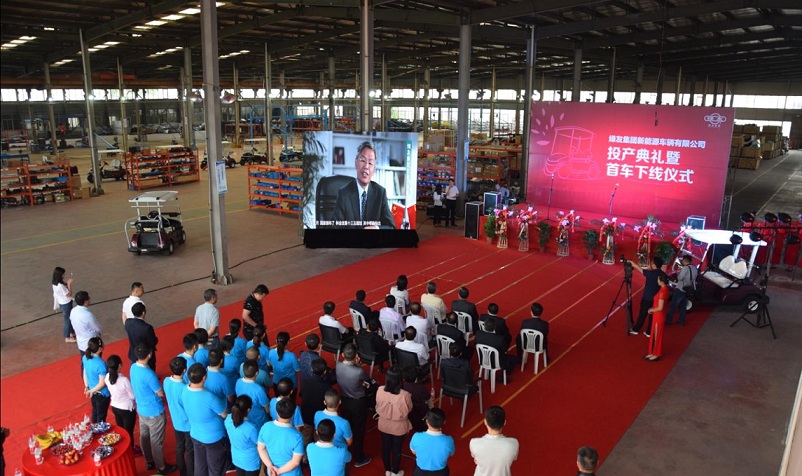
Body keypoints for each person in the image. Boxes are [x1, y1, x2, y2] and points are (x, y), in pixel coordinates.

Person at [130, 343, 177, 475]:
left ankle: (149, 460)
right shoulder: (149, 374)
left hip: (141, 409)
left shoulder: (133, 367)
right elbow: (160, 392)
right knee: (156, 441)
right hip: (154, 411)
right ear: (149, 355)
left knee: (144, 436)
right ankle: (161, 467)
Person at [333, 141, 395, 229]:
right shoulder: (344, 193)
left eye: (370, 163)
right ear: (356, 163)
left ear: (374, 170)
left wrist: (376, 228)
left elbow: (390, 226)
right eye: (363, 160)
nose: (366, 166)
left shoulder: (380, 193)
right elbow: (334, 226)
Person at [182, 363, 229, 476]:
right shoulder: (210, 397)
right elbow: (224, 414)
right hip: (214, 438)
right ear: (204, 377)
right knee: (215, 469)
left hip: (196, 435)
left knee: (200, 466)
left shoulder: (184, 390)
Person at [336, 343, 373, 468]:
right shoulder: (359, 371)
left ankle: (346, 451)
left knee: (347, 427)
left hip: (344, 400)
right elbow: (368, 382)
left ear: (343, 355)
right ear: (356, 356)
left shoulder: (338, 365)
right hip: (358, 403)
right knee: (358, 430)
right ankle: (359, 457)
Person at [376, 366, 413, 476]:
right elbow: (409, 409)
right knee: (397, 449)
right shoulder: (405, 395)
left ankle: (387, 470)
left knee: (385, 447)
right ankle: (395, 472)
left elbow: (377, 404)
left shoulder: (380, 390)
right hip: (399, 427)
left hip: (384, 424)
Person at [105, 354, 142, 456]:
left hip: (115, 406)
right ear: (120, 365)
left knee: (121, 430)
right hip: (126, 409)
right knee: (128, 432)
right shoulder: (124, 380)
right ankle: (130, 450)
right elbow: (132, 396)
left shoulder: (107, 377)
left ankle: (123, 449)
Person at [257, 398, 305, 476]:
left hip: (271, 471)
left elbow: (261, 448)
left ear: (277, 412)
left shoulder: (266, 427)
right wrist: (278, 472)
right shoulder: (297, 436)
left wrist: (270, 466)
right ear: (293, 414)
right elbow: (295, 462)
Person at [163, 357, 193, 476]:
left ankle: (182, 471)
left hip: (176, 421)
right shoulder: (184, 388)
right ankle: (190, 472)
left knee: (179, 447)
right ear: (184, 370)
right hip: (187, 424)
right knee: (189, 451)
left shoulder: (166, 381)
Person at [469, 406, 519, 476]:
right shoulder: (513, 444)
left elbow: (476, 458)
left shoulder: (474, 443)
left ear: (485, 422)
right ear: (504, 422)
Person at [301, 358, 336, 451]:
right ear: (325, 371)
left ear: (311, 369)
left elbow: (301, 395)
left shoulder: (305, 382)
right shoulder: (327, 387)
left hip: (306, 415)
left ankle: (304, 456)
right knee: (319, 439)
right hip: (320, 418)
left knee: (305, 438)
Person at [410, 408, 455, 476]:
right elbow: (451, 454)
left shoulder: (416, 436)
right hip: (441, 473)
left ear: (427, 421)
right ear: (444, 422)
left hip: (420, 472)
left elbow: (413, 452)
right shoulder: (449, 440)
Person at [629, 256, 665, 337]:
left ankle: (636, 329)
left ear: (654, 264)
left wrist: (632, 263)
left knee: (642, 314)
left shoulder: (651, 274)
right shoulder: (663, 274)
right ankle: (649, 331)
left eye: (652, 263)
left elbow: (640, 269)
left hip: (647, 298)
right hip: (656, 299)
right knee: (652, 316)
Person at [225, 395, 261, 476]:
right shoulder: (251, 428)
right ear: (248, 410)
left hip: (236, 457)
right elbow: (259, 443)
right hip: (250, 461)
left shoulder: (228, 419)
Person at [236, 359, 270, 430]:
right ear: (256, 373)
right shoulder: (259, 390)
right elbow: (267, 408)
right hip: (259, 420)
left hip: (245, 417)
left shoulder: (238, 382)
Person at [82, 337, 110, 423]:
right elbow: (102, 383)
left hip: (92, 391)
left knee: (95, 412)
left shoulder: (85, 357)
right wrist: (90, 391)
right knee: (101, 417)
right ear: (100, 349)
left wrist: (87, 387)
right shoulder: (101, 364)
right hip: (102, 394)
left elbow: (85, 372)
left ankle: (93, 428)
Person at [665, 255, 698, 326]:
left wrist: (679, 271)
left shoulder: (685, 268)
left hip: (680, 288)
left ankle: (668, 321)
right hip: (688, 289)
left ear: (684, 260)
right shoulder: (695, 268)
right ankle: (681, 321)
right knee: (683, 306)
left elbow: (679, 278)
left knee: (673, 305)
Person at [125, 302, 158, 370]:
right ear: (143, 313)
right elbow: (152, 342)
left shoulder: (127, 322)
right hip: (145, 355)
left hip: (133, 353)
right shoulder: (147, 328)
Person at [645, 273, 670, 362]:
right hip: (658, 315)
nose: (657, 281)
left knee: (656, 335)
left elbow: (660, 307)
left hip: (658, 316)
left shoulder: (662, 291)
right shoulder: (664, 289)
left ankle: (656, 353)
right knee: (655, 334)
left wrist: (651, 310)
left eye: (658, 279)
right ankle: (653, 352)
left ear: (661, 281)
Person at [70, 290, 102, 358]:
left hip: (80, 342)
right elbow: (97, 328)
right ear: (85, 302)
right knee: (95, 361)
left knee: (84, 360)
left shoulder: (73, 311)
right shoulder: (88, 315)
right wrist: (99, 333)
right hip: (91, 344)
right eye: (88, 298)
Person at [401, 366, 431, 433]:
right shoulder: (421, 388)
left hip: (406, 413)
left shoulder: (401, 387)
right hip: (421, 414)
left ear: (404, 378)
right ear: (416, 378)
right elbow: (428, 398)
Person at [52, 266, 76, 343]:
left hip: (62, 302)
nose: (64, 275)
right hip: (66, 303)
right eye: (63, 274)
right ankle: (67, 337)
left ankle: (71, 332)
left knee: (69, 318)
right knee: (67, 320)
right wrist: (69, 284)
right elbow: (69, 294)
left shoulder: (55, 283)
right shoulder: (60, 286)